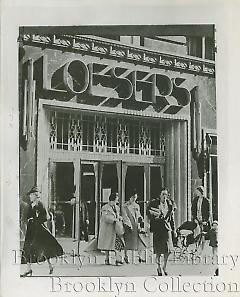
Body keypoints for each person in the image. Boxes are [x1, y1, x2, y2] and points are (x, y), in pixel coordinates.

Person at [21, 187, 64, 277]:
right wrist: (29, 220)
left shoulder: (41, 204)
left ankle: (50, 266)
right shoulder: (30, 205)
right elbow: (28, 216)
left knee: (45, 247)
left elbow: (46, 217)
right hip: (31, 230)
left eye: (31, 195)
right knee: (28, 248)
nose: (30, 197)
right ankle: (29, 269)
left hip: (39, 230)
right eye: (30, 195)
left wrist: (36, 219)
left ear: (35, 196)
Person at [146, 188, 177, 276]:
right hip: (157, 229)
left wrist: (174, 229)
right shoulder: (154, 203)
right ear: (160, 195)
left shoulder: (170, 205)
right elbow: (148, 212)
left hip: (166, 229)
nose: (164, 196)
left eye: (166, 194)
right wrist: (154, 217)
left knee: (168, 250)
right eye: (163, 194)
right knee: (158, 250)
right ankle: (159, 267)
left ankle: (165, 266)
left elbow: (172, 218)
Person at [97, 192, 125, 266]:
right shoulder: (105, 208)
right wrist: (114, 219)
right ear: (111, 200)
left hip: (115, 229)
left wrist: (119, 218)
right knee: (107, 245)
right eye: (116, 200)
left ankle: (117, 259)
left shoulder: (117, 208)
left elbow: (118, 215)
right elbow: (105, 217)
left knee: (117, 244)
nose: (117, 202)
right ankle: (107, 259)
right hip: (107, 229)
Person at [122, 190, 147, 264]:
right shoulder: (125, 206)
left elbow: (138, 214)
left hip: (136, 225)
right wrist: (128, 224)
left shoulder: (137, 205)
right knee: (127, 241)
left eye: (135, 197)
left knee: (139, 240)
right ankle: (126, 256)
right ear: (130, 197)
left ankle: (140, 256)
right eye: (133, 197)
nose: (134, 199)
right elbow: (124, 216)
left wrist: (140, 219)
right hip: (129, 225)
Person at [191, 186, 210, 251]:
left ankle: (202, 249)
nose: (197, 193)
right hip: (197, 219)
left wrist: (206, 221)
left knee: (203, 235)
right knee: (197, 234)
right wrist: (195, 218)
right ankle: (197, 247)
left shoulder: (206, 201)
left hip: (203, 220)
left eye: (198, 192)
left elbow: (208, 212)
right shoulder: (195, 200)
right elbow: (193, 210)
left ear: (201, 192)